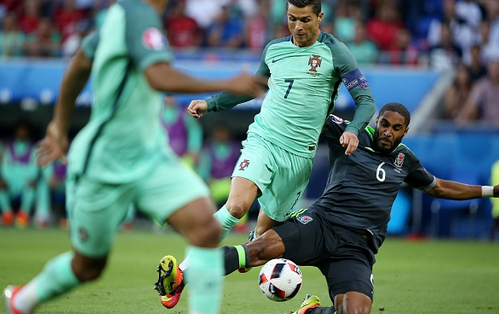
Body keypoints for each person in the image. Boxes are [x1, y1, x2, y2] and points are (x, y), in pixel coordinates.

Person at [2, 1, 264, 314]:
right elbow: (157, 76)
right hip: (104, 162)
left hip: (150, 157)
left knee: (205, 229)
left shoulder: (126, 16)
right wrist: (226, 83)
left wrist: (59, 124)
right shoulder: (136, 13)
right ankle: (23, 300)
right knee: (88, 266)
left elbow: (81, 61)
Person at [161, 0, 376, 309]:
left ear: (320, 17)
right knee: (235, 206)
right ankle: (180, 275)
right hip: (264, 140)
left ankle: (304, 306)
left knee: (261, 241)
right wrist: (212, 103)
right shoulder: (275, 49)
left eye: (305, 20)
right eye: (292, 19)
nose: (298, 27)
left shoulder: (336, 52)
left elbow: (366, 100)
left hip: (299, 157)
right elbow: (253, 89)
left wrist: (354, 128)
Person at [219, 102, 499, 314]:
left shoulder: (406, 160)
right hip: (322, 225)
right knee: (257, 250)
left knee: (356, 311)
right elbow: (313, 113)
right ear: (377, 121)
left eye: (396, 128)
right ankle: (184, 274)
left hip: (357, 247)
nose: (387, 132)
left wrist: (491, 191)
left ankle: (311, 311)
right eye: (384, 124)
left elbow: (439, 187)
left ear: (406, 131)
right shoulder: (350, 134)